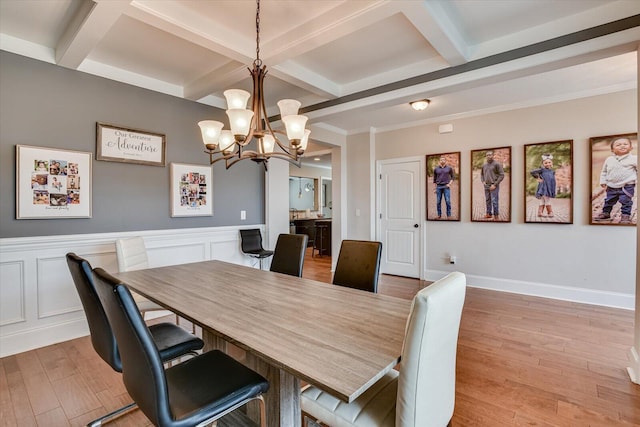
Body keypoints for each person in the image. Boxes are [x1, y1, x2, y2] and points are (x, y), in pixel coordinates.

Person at [596, 137, 637, 224]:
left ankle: (625, 215)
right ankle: (606, 213)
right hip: (611, 185)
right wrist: (603, 181)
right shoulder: (609, 160)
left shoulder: (634, 159)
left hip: (627, 185)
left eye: (625, 144)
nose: (622, 146)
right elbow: (604, 171)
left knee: (626, 201)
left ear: (631, 147)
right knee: (609, 200)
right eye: (618, 145)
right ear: (612, 150)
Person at [530, 154, 556, 218]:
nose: (547, 164)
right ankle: (550, 212)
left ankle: (540, 213)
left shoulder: (552, 171)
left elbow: (552, 181)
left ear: (552, 163)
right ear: (543, 164)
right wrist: (537, 178)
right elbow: (532, 172)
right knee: (547, 200)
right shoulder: (542, 170)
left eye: (549, 162)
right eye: (546, 163)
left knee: (542, 200)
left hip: (549, 188)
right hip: (543, 188)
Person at [480, 151, 504, 220]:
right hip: (486, 186)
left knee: (494, 201)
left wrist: (495, 184)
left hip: (494, 186)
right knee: (487, 200)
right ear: (486, 156)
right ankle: (488, 214)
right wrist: (483, 181)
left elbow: (502, 175)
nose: (489, 156)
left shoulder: (497, 164)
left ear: (493, 155)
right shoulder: (484, 165)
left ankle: (496, 215)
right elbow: (482, 174)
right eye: (487, 155)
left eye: (490, 155)